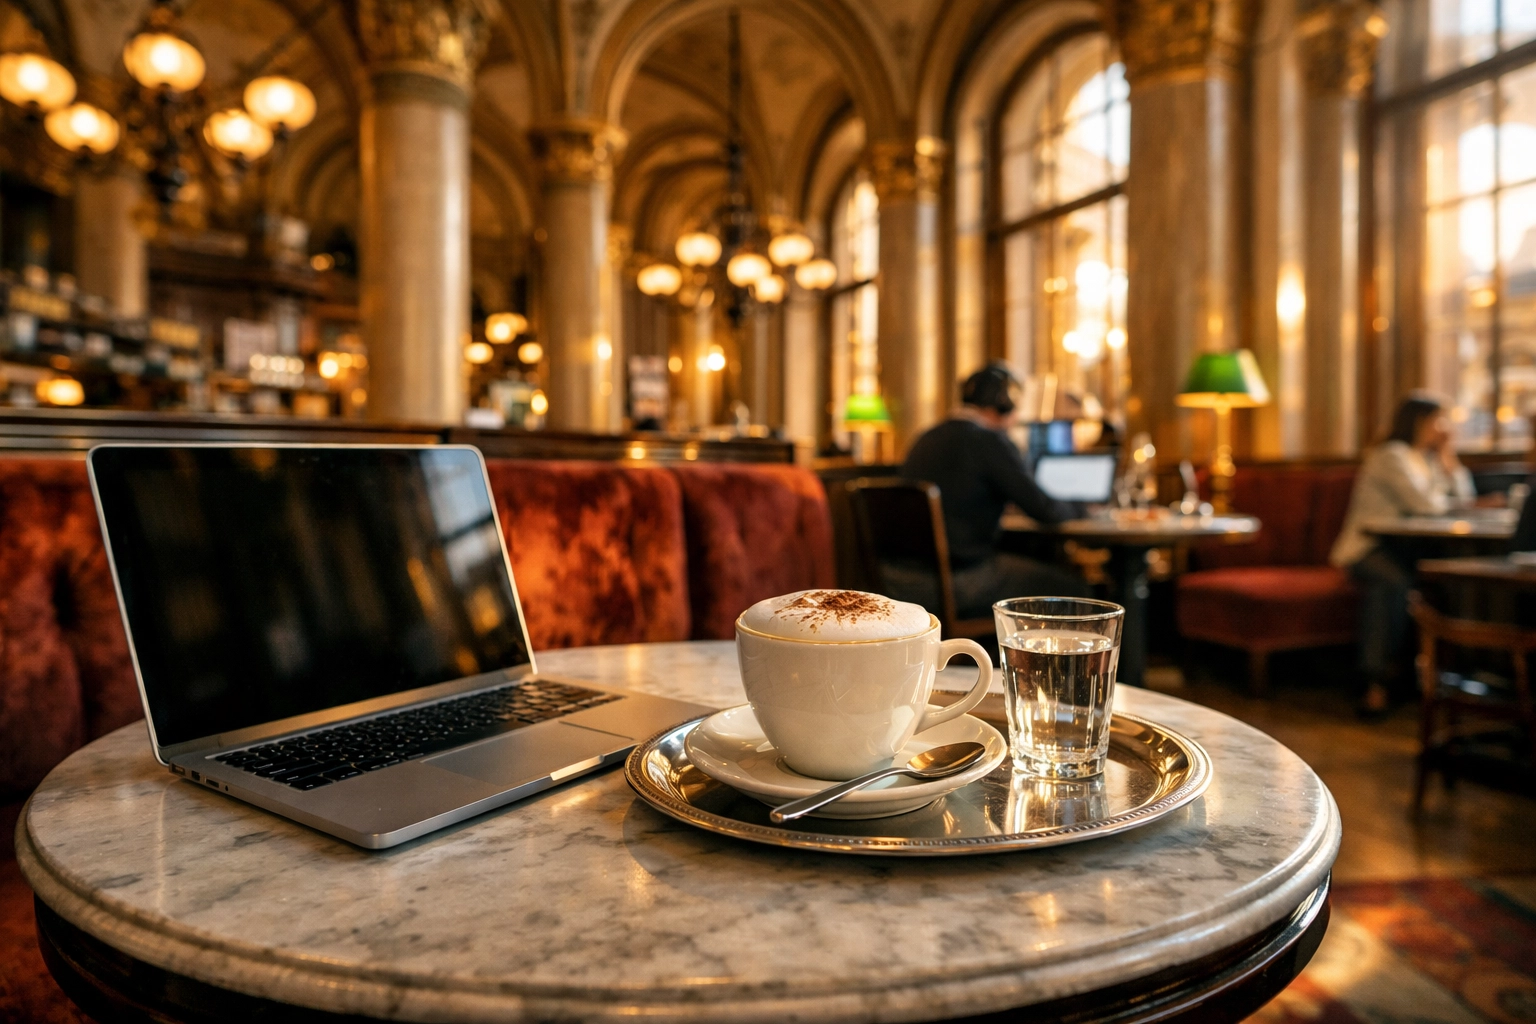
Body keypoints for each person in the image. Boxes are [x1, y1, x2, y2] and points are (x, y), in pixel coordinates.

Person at [901, 362, 1091, 618]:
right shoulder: (988, 441)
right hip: (961, 579)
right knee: (1075, 592)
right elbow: (1045, 510)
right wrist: (1083, 508)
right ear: (1005, 403)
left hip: (906, 578)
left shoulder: (925, 438)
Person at [1330, 392, 1475, 715]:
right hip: (1367, 548)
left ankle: (1429, 679)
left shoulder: (1427, 458)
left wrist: (1447, 455)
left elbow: (1464, 496)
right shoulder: (1391, 455)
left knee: (1433, 582)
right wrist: (1447, 501)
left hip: (1409, 548)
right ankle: (1375, 683)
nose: (1445, 427)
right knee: (1394, 583)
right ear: (1420, 421)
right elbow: (1424, 505)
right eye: (1440, 419)